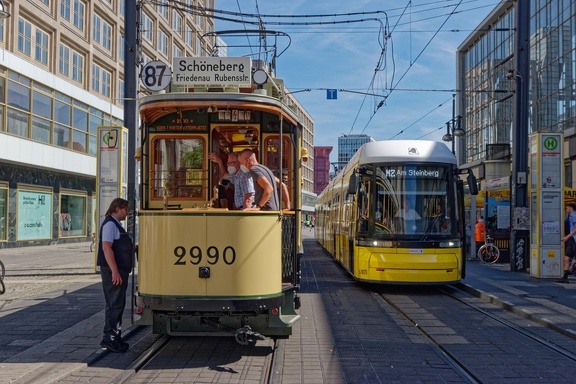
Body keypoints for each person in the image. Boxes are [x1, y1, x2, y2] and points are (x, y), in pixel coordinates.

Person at [97, 198, 133, 353]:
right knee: (114, 305)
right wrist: (115, 271)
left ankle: (115, 338)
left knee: (117, 304)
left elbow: (118, 246)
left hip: (118, 270)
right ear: (117, 209)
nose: (128, 212)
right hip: (113, 271)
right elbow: (107, 248)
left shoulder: (115, 224)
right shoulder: (110, 224)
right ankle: (110, 339)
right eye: (126, 209)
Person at [558, 203, 576, 283]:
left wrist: (567, 237)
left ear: (571, 208)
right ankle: (565, 277)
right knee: (567, 257)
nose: (566, 209)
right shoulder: (570, 216)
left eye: (567, 208)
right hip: (571, 240)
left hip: (574, 239)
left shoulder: (574, 216)